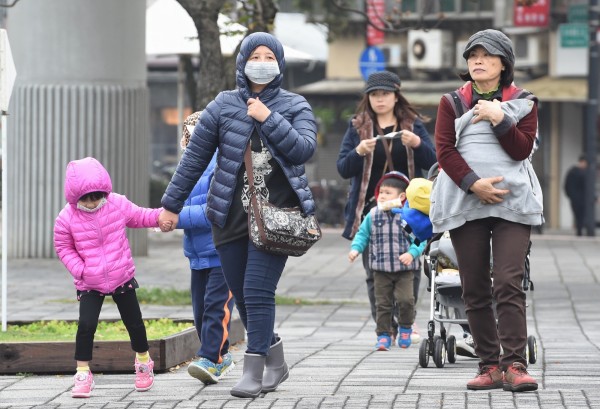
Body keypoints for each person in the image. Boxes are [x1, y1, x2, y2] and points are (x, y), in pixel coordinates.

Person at [158, 32, 317, 398]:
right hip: (229, 217)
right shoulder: (223, 105)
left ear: (279, 63)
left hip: (275, 218)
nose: (261, 61)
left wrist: (269, 117)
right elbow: (195, 159)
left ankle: (254, 367)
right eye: (254, 55)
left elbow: (303, 149)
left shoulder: (294, 104)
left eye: (269, 55)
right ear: (242, 61)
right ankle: (276, 363)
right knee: (243, 297)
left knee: (257, 291)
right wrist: (171, 205)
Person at [430, 29, 543, 392]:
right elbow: (445, 151)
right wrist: (473, 184)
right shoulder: (452, 102)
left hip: (513, 202)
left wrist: (500, 118)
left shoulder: (523, 101)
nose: (477, 61)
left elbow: (521, 150)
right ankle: (489, 366)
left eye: (486, 55)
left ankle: (515, 365)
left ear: (503, 63)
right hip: (466, 200)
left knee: (508, 281)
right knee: (474, 286)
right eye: (472, 55)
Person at [53, 157, 171, 398]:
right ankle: (83, 372)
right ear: (75, 197)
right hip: (90, 281)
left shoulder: (116, 204)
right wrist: (80, 270)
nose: (91, 203)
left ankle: (143, 362)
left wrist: (162, 216)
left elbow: (140, 216)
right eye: (85, 199)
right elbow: (63, 247)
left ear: (104, 191)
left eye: (96, 197)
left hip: (121, 275)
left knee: (134, 323)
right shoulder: (67, 218)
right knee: (86, 326)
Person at [337, 70, 436, 343]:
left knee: (411, 268)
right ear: (368, 98)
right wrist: (358, 151)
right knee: (374, 273)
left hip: (408, 213)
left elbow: (435, 162)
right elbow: (343, 168)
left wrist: (416, 143)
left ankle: (406, 321)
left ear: (395, 96)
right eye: (374, 95)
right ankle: (385, 327)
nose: (380, 100)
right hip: (372, 211)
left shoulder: (412, 125)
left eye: (385, 94)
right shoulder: (358, 126)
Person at [176, 111, 236, 385]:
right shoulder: (185, 168)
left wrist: (175, 218)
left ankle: (210, 358)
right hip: (197, 254)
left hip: (224, 250)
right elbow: (173, 201)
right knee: (200, 312)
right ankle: (221, 356)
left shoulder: (223, 164)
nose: (189, 140)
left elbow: (212, 209)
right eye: (188, 135)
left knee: (216, 307)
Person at [348, 171, 426, 350]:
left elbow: (420, 238)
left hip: (404, 270)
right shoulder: (373, 215)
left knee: (406, 300)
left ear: (402, 196)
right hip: (381, 269)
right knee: (382, 304)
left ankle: (406, 327)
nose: (382, 196)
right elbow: (363, 234)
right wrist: (355, 249)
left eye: (387, 193)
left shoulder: (407, 216)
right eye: (381, 192)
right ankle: (384, 334)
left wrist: (412, 253)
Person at [564, 155, 588, 236]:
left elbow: (566, 185)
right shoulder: (576, 172)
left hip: (578, 198)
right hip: (579, 198)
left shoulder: (573, 171)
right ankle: (579, 232)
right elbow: (567, 186)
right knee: (580, 215)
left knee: (580, 215)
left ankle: (579, 232)